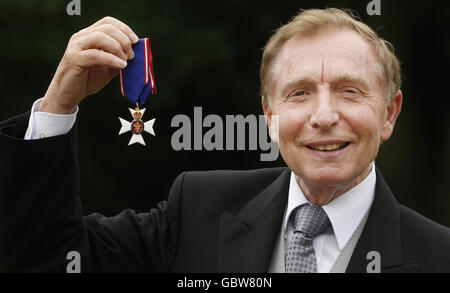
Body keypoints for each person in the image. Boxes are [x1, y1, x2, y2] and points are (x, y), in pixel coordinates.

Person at [0, 8, 449, 273]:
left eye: (350, 91)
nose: (325, 116)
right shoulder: (198, 207)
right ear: (270, 116)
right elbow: (51, 259)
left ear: (389, 113)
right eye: (299, 93)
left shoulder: (439, 256)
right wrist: (59, 103)